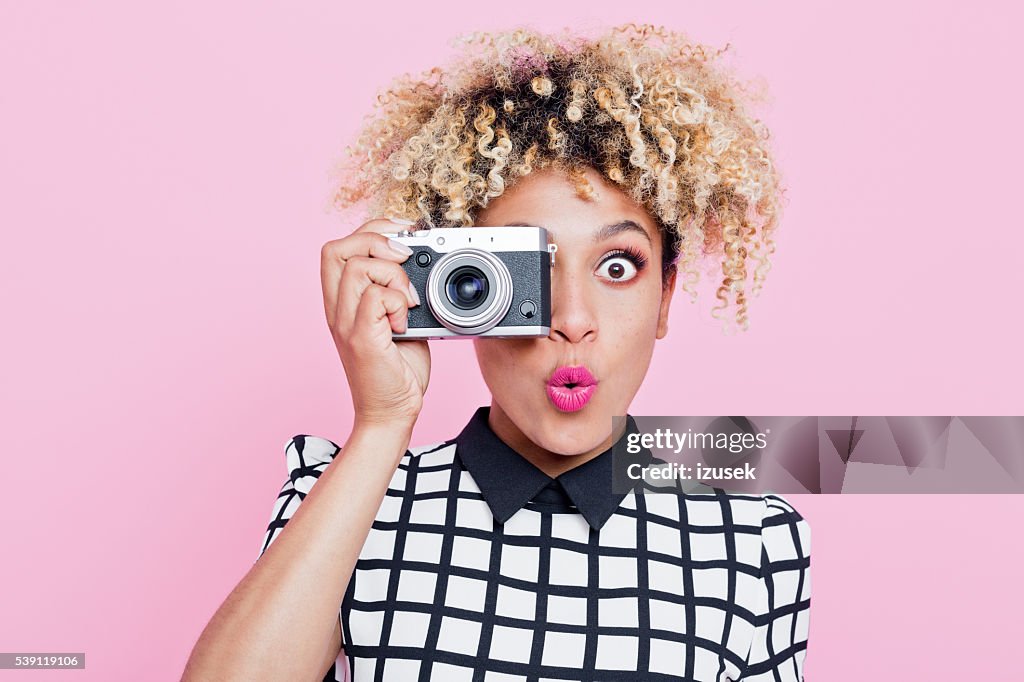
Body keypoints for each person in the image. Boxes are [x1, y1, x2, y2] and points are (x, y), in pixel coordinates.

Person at [183, 24, 810, 682]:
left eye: (618, 267)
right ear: (460, 286)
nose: (570, 321)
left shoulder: (752, 541)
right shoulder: (350, 500)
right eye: (529, 273)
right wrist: (382, 421)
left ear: (666, 297)